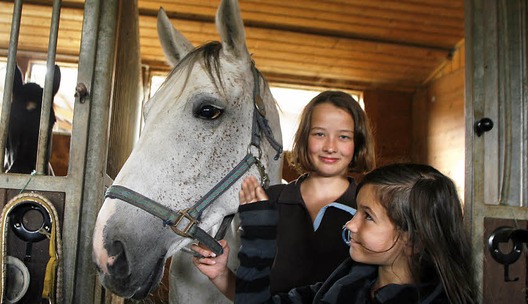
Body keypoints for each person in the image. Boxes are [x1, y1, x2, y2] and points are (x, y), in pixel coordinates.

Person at [192, 90, 376, 300]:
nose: (330, 147)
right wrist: (221, 274)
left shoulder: (369, 208)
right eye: (319, 134)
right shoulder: (268, 199)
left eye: (343, 136)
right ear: (304, 138)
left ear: (357, 142)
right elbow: (252, 296)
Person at [236, 163, 478, 303]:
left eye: (368, 216)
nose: (350, 225)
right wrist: (259, 234)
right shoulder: (347, 281)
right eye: (356, 212)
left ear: (414, 240)